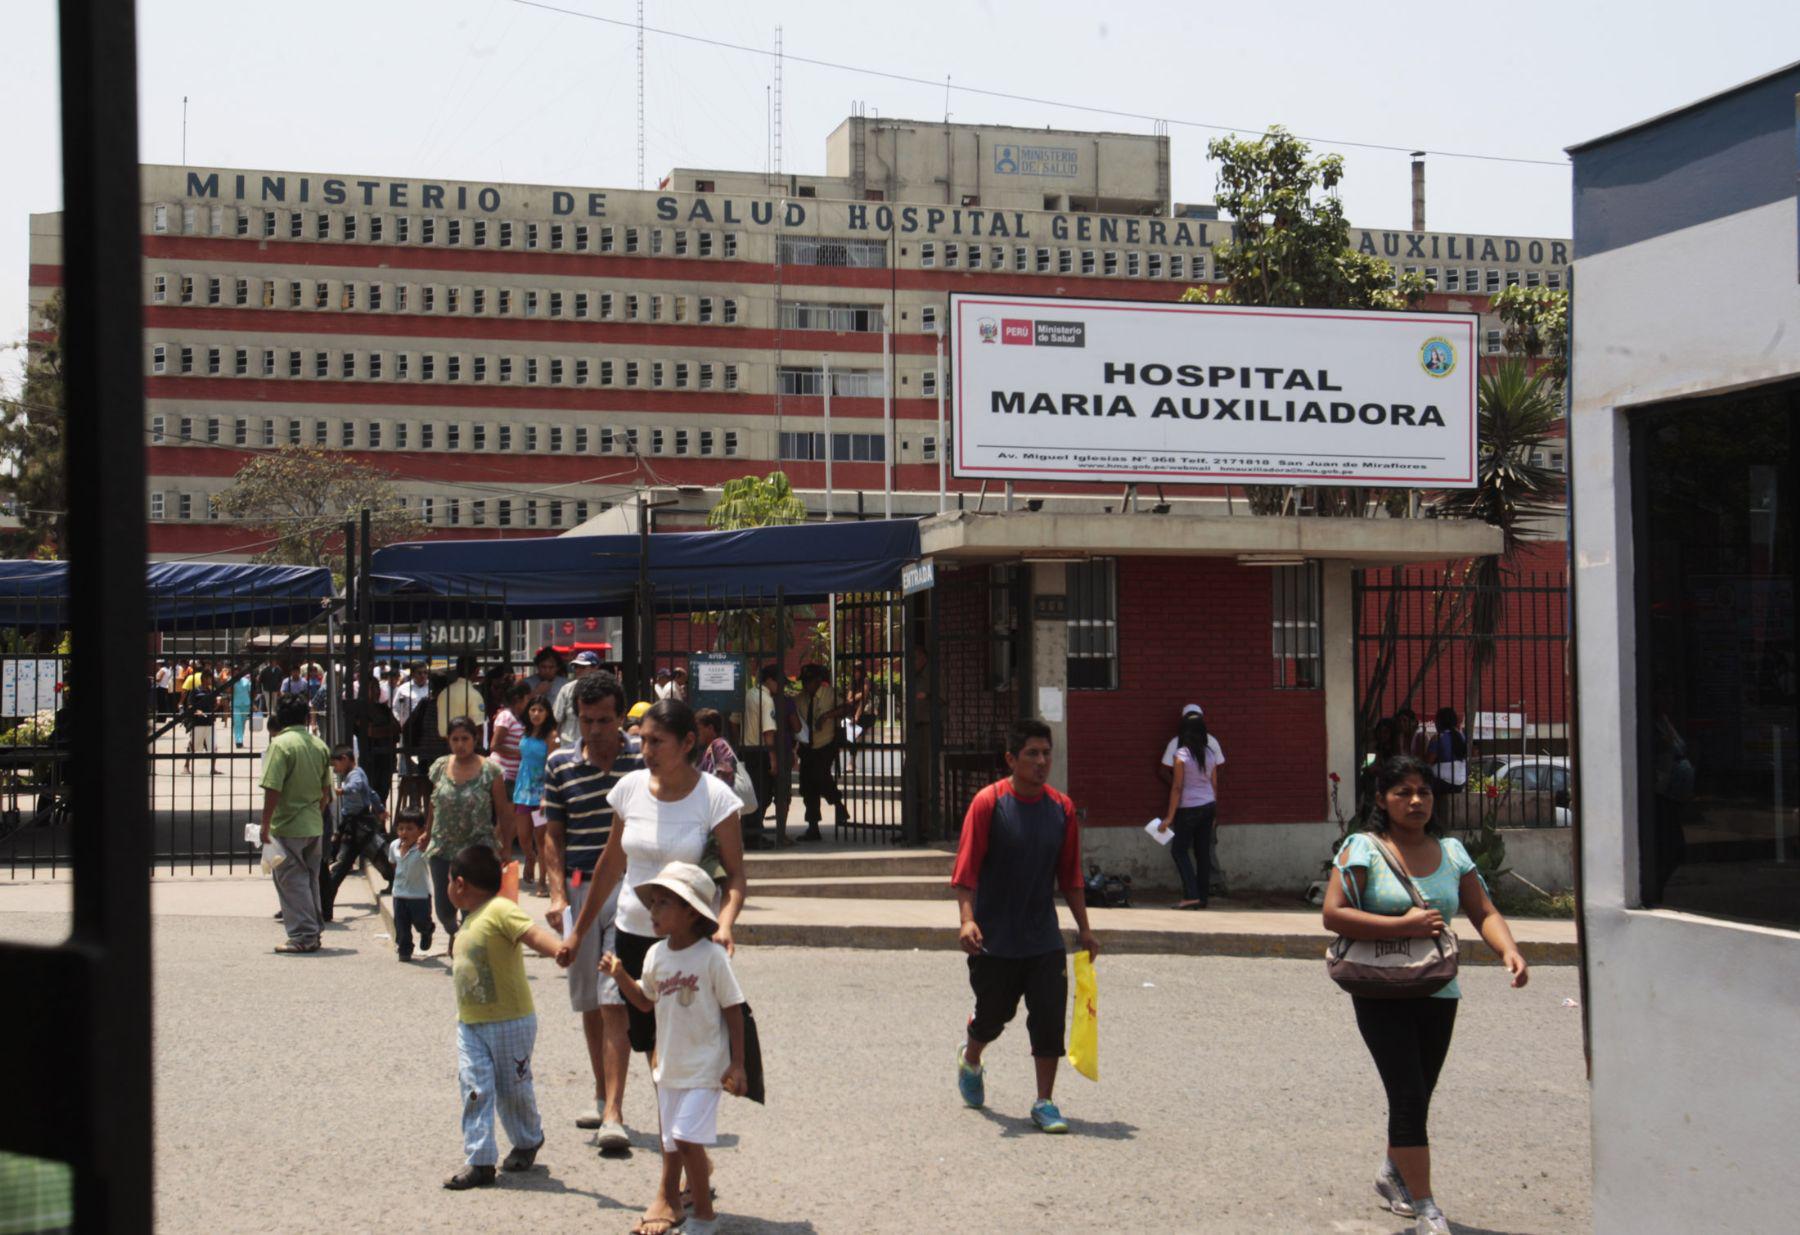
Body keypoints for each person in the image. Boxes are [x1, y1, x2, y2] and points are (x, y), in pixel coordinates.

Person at [1321, 754, 1529, 1235]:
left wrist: (1509, 950)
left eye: (1424, 793)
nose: (1416, 801)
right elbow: (1333, 914)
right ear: (1381, 799)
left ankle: (1393, 1173)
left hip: (1439, 986)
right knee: (1409, 1095)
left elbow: (1484, 911)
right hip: (1379, 989)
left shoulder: (1452, 851)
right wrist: (1406, 923)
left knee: (1419, 1093)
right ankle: (1426, 1206)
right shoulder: (1362, 848)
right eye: (1403, 792)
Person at [557, 698, 748, 1165]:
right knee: (635, 1034)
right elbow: (609, 865)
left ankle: (681, 1165)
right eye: (641, 739)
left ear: (688, 743)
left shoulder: (715, 798)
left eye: (656, 741)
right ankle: (622, 1120)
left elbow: (736, 876)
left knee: (675, 1054)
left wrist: (724, 924)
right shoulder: (629, 789)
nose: (645, 750)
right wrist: (578, 934)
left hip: (687, 941)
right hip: (632, 930)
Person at [951, 716, 1100, 1134]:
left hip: (1042, 937)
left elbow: (1070, 876)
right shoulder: (989, 803)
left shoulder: (1061, 809)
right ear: (1011, 759)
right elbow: (966, 872)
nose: (1041, 761)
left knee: (1049, 1016)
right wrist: (967, 920)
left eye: (1046, 753)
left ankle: (1045, 1101)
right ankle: (972, 1056)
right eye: (1031, 754)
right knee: (993, 1016)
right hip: (995, 939)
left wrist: (1084, 929)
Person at [600, 862, 747, 1235]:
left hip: (705, 1067)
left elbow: (734, 1008)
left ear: (691, 912)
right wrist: (620, 975)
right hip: (668, 1068)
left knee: (685, 1139)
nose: (653, 910)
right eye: (653, 902)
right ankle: (690, 1205)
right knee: (678, 1143)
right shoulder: (656, 956)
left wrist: (738, 1064)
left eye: (664, 902)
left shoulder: (711, 957)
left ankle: (705, 1215)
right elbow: (645, 1002)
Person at [539, 670, 641, 1147]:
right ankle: (602, 1095)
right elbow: (552, 836)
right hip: (580, 888)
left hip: (631, 890)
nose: (595, 730)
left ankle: (615, 1113)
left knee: (612, 996)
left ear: (621, 717)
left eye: (603, 720)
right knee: (589, 1002)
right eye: (586, 721)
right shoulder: (560, 765)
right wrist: (558, 894)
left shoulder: (643, 762)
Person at [441, 844, 561, 1191]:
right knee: (475, 1087)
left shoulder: (498, 910)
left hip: (511, 1021)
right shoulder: (471, 919)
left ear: (459, 884)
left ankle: (527, 1139)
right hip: (471, 1024)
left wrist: (559, 951)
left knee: (514, 1089)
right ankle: (480, 1162)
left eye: (448, 881)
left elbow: (532, 933)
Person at [423, 716, 513, 948]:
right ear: (449, 741)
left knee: (471, 904)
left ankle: (466, 942)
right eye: (455, 739)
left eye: (465, 738)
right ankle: (455, 932)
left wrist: (506, 848)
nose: (460, 744)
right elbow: (434, 802)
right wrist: (427, 831)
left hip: (477, 849)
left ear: (474, 739)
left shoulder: (490, 770)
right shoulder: (441, 767)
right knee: (444, 908)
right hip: (443, 845)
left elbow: (503, 810)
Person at [259, 694, 334, 954]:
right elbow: (327, 790)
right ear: (306, 717)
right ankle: (312, 929)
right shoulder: (319, 744)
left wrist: (265, 824)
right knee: (309, 879)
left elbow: (272, 787)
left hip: (287, 824)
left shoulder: (280, 745)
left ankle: (304, 934)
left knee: (292, 880)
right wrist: (316, 812)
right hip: (313, 822)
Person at [1157, 704, 1227, 896]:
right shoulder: (1210, 753)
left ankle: (1191, 894)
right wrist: (1215, 812)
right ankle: (1203, 896)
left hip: (1188, 808)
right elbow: (1214, 784)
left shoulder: (1181, 754)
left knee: (1179, 851)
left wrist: (1169, 818)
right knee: (1203, 853)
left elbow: (1177, 787)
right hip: (1208, 806)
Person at [323, 743, 389, 921]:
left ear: (344, 759)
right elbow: (372, 793)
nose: (335, 769)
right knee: (342, 865)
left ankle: (394, 881)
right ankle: (325, 905)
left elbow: (357, 787)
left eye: (335, 765)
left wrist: (341, 791)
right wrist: (380, 809)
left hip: (360, 825)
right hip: (352, 826)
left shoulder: (355, 775)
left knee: (378, 855)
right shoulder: (354, 774)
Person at [512, 694, 558, 896]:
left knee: (541, 839)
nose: (536, 714)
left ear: (547, 713)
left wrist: (546, 795)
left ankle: (542, 882)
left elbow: (551, 767)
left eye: (540, 710)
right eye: (533, 710)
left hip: (541, 792)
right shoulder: (525, 733)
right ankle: (529, 859)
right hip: (522, 791)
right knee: (523, 837)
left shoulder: (551, 736)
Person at [796, 663, 846, 840]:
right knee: (807, 786)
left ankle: (837, 803)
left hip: (825, 745)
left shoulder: (829, 694)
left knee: (820, 776)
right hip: (807, 747)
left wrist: (826, 716)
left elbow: (846, 708)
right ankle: (813, 827)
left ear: (817, 681)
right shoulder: (800, 698)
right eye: (804, 682)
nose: (805, 685)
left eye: (809, 681)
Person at [388, 809, 433, 961]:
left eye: (410, 828)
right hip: (399, 894)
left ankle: (427, 930)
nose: (404, 832)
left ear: (421, 830)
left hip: (419, 895)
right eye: (401, 828)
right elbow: (394, 865)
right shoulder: (394, 846)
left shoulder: (423, 848)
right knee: (401, 924)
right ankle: (405, 949)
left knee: (421, 922)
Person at [553, 650, 601, 748]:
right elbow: (556, 718)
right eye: (576, 667)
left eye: (583, 667)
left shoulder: (603, 690)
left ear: (595, 668)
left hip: (594, 745)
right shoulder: (566, 689)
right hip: (569, 744)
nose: (578, 670)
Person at [436, 655, 487, 740]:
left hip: (443, 744)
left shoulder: (444, 693)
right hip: (465, 745)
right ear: (477, 671)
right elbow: (478, 728)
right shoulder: (474, 695)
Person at [181, 669, 218, 774]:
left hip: (210, 722)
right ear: (203, 679)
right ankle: (186, 766)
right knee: (193, 745)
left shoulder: (211, 691)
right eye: (209, 678)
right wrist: (197, 710)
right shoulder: (195, 690)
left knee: (213, 746)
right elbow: (190, 705)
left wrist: (217, 704)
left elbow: (213, 707)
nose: (211, 680)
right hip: (198, 723)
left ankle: (213, 769)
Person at [1426, 707, 1468, 799]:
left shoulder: (1438, 737)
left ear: (1439, 722)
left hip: (1442, 783)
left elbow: (1428, 762)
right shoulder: (1461, 737)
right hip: (1460, 783)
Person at [230, 666, 254, 749]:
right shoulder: (231, 681)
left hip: (245, 704)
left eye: (237, 671)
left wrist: (253, 704)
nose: (236, 673)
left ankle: (240, 739)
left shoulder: (246, 681)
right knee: (237, 722)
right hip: (236, 705)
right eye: (234, 672)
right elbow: (228, 692)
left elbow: (251, 692)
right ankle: (238, 741)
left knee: (243, 723)